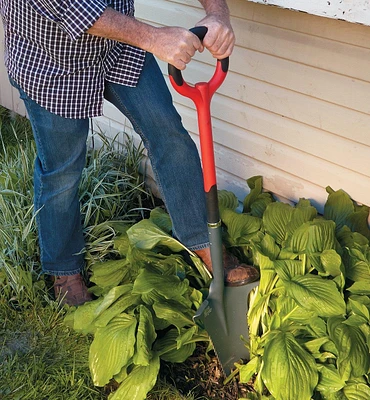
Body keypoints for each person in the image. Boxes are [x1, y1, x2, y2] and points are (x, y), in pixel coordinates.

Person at [0, 0, 258, 306]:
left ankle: (201, 241)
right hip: (52, 61)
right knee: (62, 170)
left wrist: (217, 13)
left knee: (168, 135)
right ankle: (64, 269)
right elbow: (72, 8)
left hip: (118, 49)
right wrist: (153, 38)